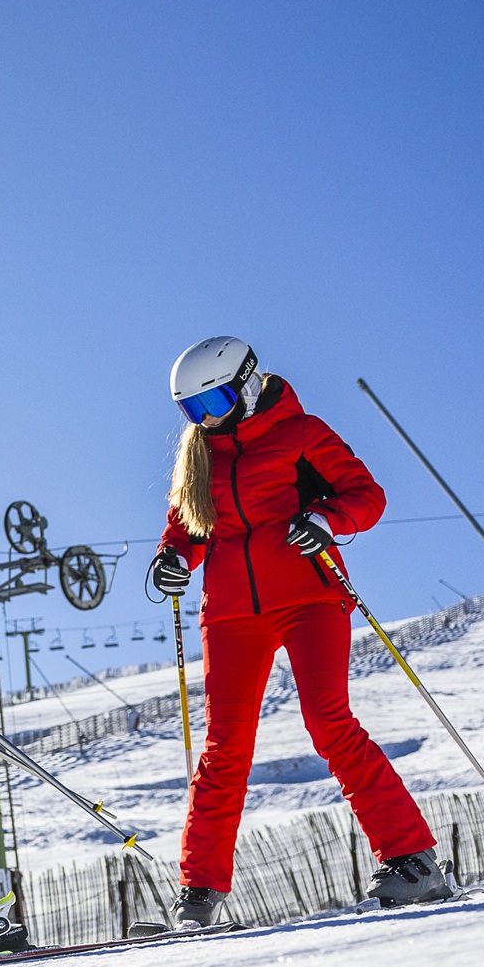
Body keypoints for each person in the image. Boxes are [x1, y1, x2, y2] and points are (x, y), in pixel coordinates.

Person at [150, 337, 449, 928]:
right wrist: (172, 557)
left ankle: (412, 861)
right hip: (231, 612)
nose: (206, 419)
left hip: (309, 594)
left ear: (249, 382)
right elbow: (187, 527)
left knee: (329, 722)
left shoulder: (303, 433)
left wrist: (324, 519)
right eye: (192, 411)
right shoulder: (200, 454)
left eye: (214, 401)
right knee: (224, 749)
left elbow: (366, 496)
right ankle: (199, 893)